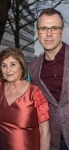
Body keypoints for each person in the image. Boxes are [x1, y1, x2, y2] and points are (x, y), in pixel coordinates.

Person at [0, 47, 50, 150]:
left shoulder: (34, 92)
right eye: (4, 65)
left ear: (22, 67)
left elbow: (45, 132)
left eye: (13, 64)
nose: (8, 70)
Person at [29, 8, 69, 150]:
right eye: (44, 28)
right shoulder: (33, 68)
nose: (49, 34)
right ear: (37, 32)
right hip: (53, 141)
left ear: (63, 31)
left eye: (54, 28)